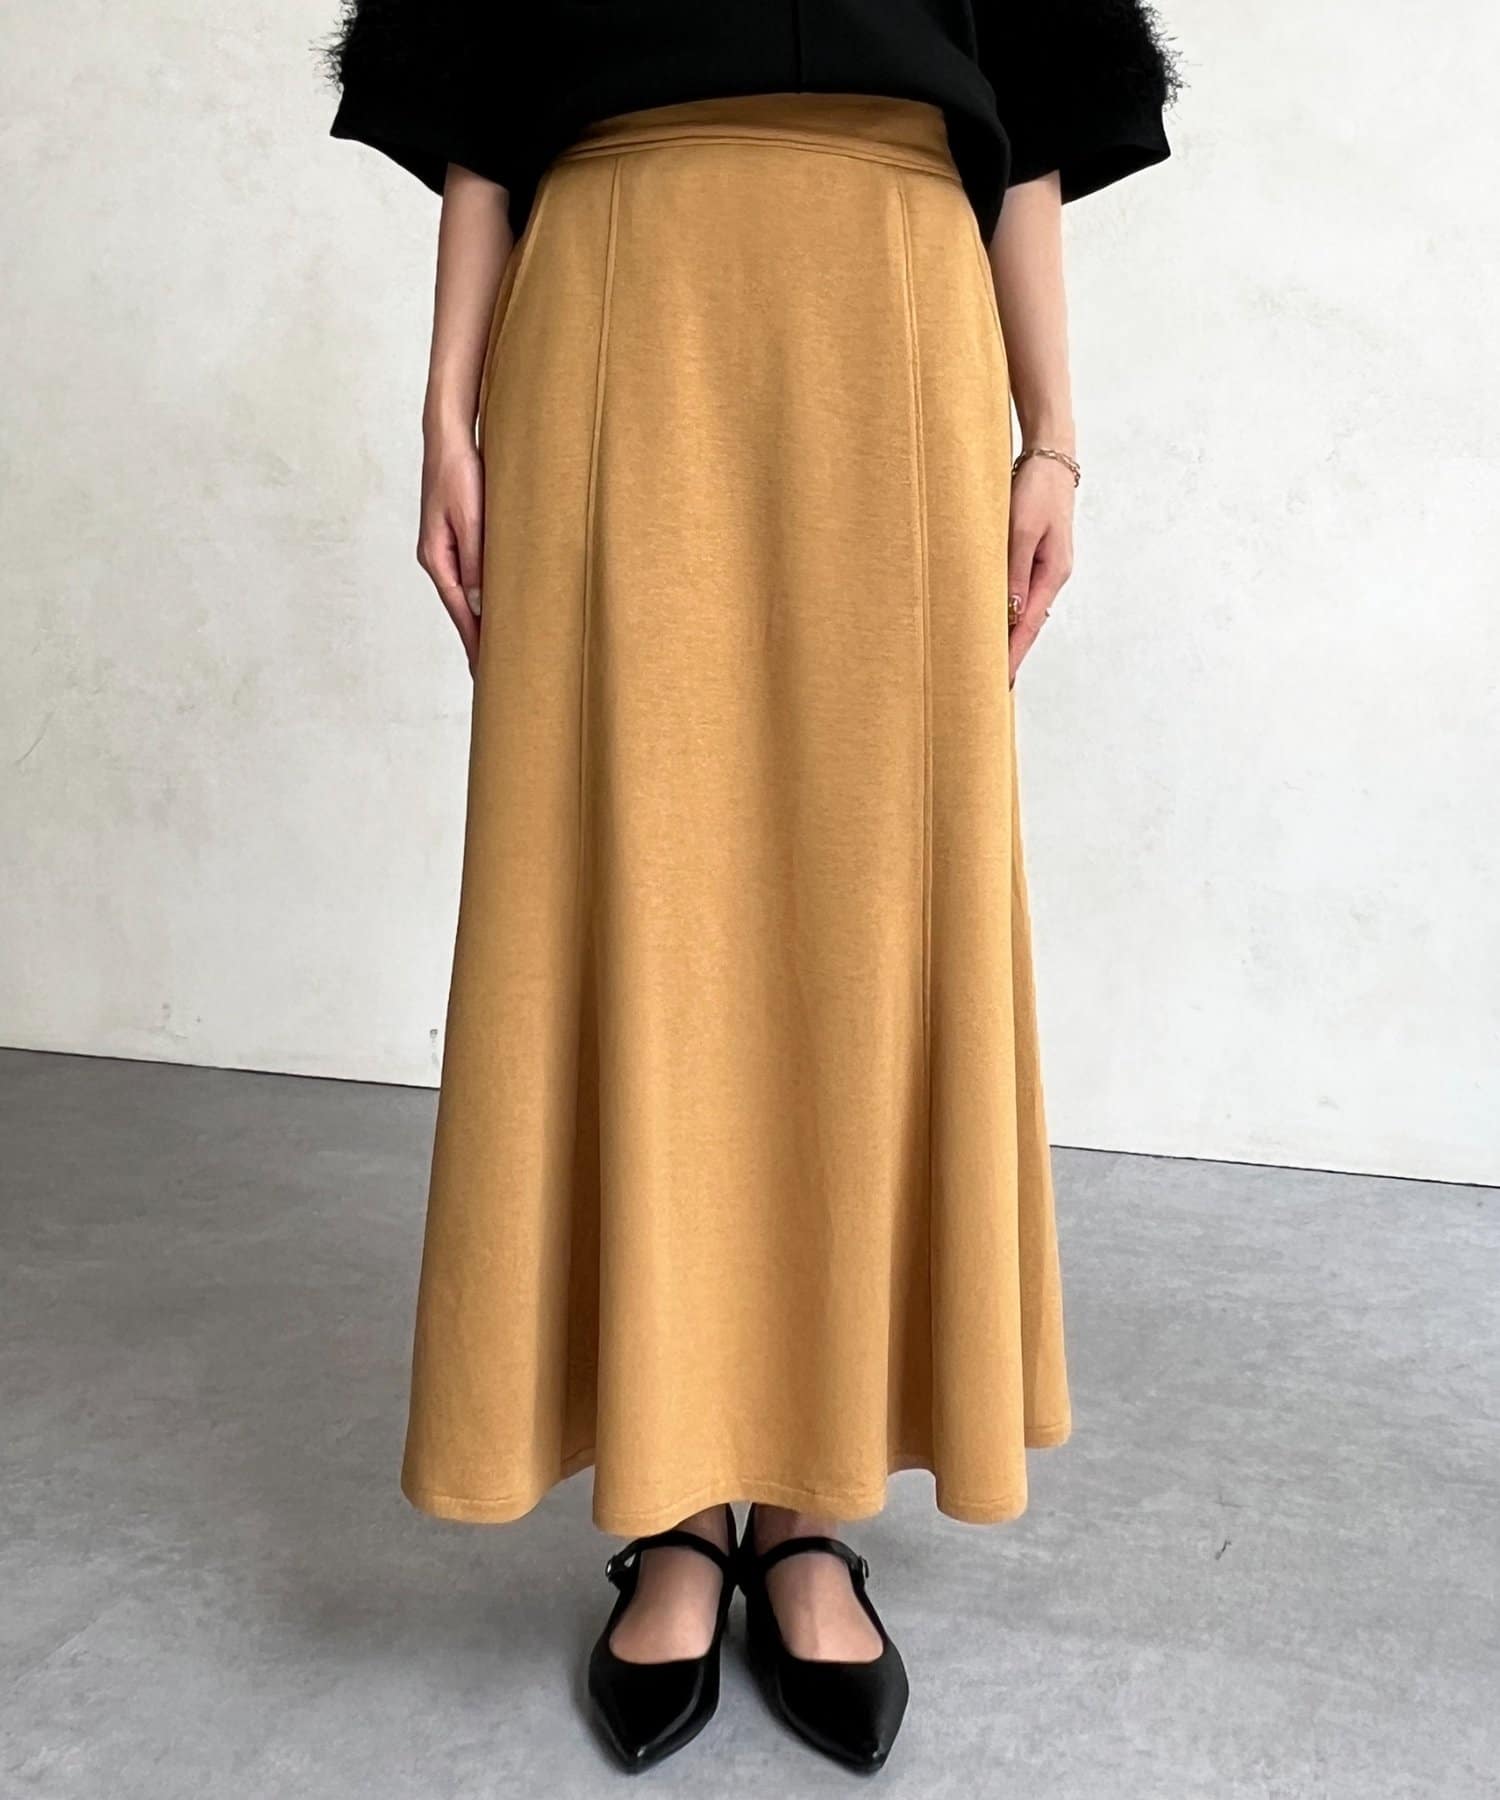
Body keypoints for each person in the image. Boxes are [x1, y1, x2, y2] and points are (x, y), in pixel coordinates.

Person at [326, 0, 1176, 1774]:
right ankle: (676, 1500)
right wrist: (445, 417)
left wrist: (1053, 435)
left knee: (861, 916)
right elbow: (476, 93)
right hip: (621, 283)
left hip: (895, 295)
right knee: (632, 890)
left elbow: (1035, 94)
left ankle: (806, 1498)